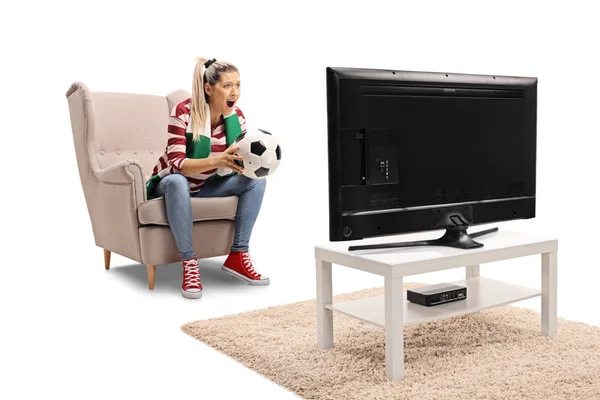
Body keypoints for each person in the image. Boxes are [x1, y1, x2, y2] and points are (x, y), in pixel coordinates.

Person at [146, 57, 269, 299]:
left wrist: (254, 164)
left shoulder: (237, 117)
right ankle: (190, 262)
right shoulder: (182, 112)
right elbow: (178, 164)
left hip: (205, 185)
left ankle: (238, 255)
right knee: (178, 181)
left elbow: (238, 161)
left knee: (256, 181)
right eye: (227, 86)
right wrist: (218, 160)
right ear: (208, 89)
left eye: (238, 85)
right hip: (170, 182)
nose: (234, 92)